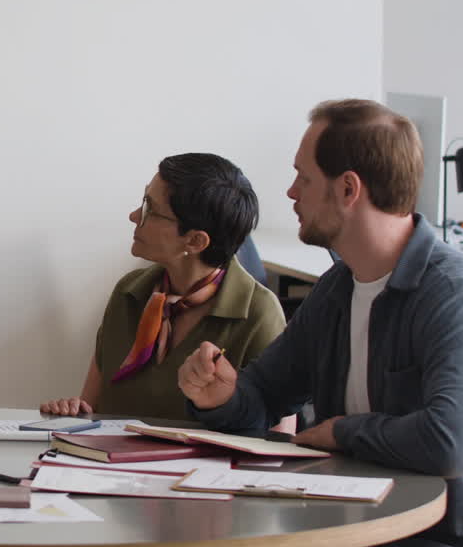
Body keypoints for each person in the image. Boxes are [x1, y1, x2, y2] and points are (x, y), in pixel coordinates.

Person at [179, 100, 463, 547]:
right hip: (338, 531)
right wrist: (223, 396)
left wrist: (341, 431)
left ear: (349, 188)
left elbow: (451, 442)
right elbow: (263, 397)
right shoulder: (337, 288)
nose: (291, 191)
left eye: (304, 178)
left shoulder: (454, 295)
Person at [41, 153, 291, 428]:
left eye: (150, 209)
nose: (134, 216)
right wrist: (73, 413)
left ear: (196, 241)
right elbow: (92, 408)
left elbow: (279, 441)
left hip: (201, 472)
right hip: (108, 466)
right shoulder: (129, 293)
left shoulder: (258, 313)